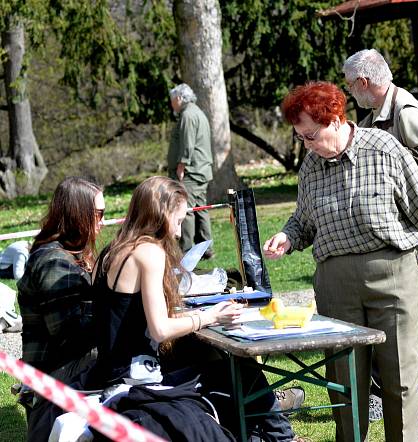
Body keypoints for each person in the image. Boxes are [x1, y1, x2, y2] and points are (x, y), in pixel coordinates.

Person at [263, 81, 418, 442]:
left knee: (400, 377)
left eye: (311, 135)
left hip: (393, 275)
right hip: (336, 284)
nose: (307, 144)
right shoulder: (311, 166)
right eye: (301, 138)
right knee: (345, 379)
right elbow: (304, 220)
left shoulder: (384, 148)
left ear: (336, 120)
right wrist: (288, 237)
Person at [89, 176, 300, 441]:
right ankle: (279, 436)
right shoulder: (149, 253)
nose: (178, 232)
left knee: (219, 366)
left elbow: (132, 319)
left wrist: (203, 316)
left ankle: (271, 433)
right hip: (138, 380)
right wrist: (209, 316)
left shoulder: (111, 251)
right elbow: (160, 328)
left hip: (110, 372)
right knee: (237, 367)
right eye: (178, 221)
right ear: (161, 214)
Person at [342, 49, 418, 414]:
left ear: (364, 83)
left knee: (416, 303)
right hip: (405, 219)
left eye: (350, 85)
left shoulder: (404, 111)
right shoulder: (378, 113)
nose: (350, 92)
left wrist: (387, 159)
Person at [17, 177, 105, 441]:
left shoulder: (68, 253)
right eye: (98, 214)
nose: (102, 221)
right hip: (53, 379)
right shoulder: (54, 260)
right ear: (79, 214)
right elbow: (70, 335)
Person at [168, 83, 214, 259]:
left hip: (191, 172)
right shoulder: (198, 112)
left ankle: (186, 250)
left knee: (184, 209)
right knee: (200, 208)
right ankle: (206, 247)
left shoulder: (187, 115)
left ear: (179, 98)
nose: (172, 104)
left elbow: (188, 143)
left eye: (172, 100)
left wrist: (182, 166)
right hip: (202, 169)